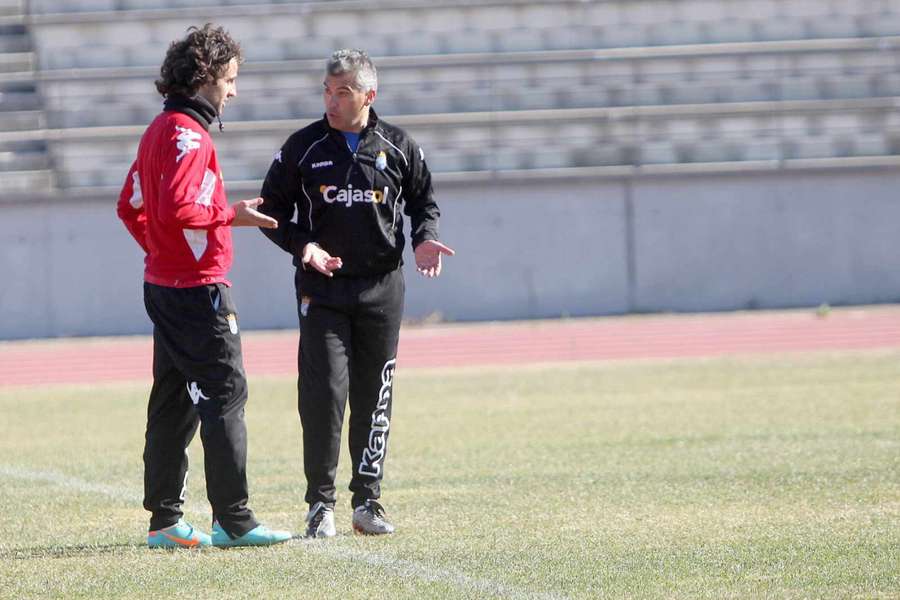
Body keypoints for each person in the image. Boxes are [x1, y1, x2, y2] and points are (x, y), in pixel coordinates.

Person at [258, 48, 454, 538]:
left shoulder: (399, 146)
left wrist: (425, 238)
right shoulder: (303, 147)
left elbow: (423, 203)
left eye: (342, 92)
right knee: (325, 393)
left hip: (382, 290)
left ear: (369, 95)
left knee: (375, 394)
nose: (332, 100)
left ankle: (367, 502)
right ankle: (319, 506)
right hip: (322, 292)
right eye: (327, 90)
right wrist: (303, 246)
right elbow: (270, 211)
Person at [117, 24, 292, 549]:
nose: (233, 90)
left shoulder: (158, 130)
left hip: (168, 285)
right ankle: (234, 520)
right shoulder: (188, 135)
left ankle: (166, 521)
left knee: (174, 398)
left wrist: (159, 252)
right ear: (206, 77)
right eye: (231, 78)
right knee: (224, 392)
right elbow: (179, 208)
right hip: (197, 288)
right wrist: (230, 215)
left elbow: (132, 205)